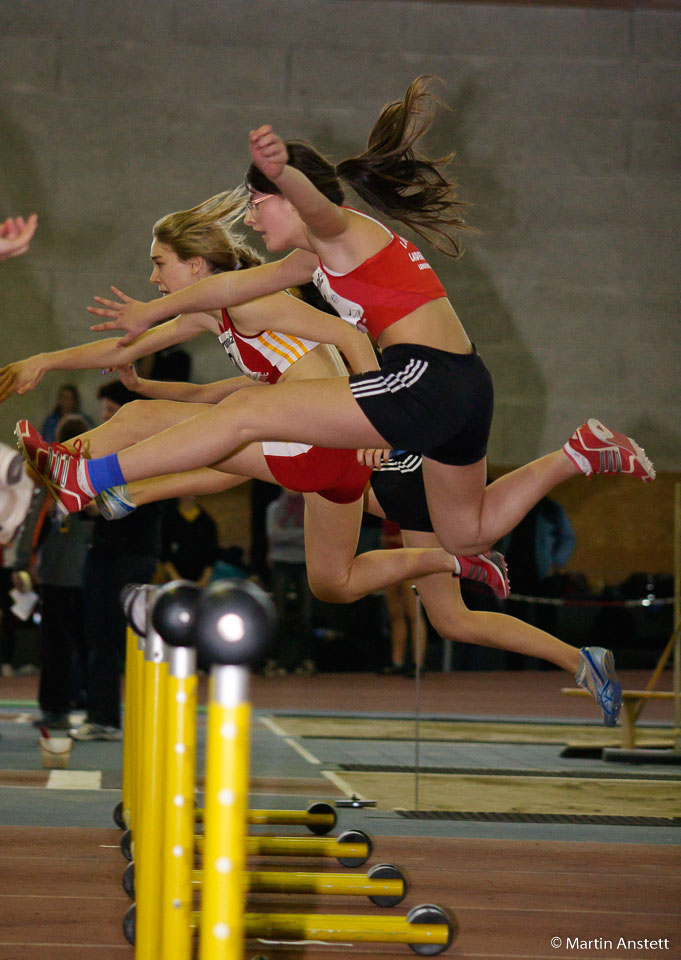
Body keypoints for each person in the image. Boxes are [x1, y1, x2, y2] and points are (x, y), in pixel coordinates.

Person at [3, 189, 619, 723]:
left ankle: (78, 478)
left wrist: (381, 411)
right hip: (327, 457)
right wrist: (52, 362)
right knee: (335, 581)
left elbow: (351, 335)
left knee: (187, 435)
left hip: (334, 444)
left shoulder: (251, 301)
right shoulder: (214, 317)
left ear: (197, 266)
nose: (154, 278)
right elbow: (142, 357)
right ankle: (548, 634)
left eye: (159, 265)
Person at [25, 75, 651, 565]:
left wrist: (284, 172)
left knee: (245, 412)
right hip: (464, 386)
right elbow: (234, 284)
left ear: (282, 198)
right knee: (466, 534)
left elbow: (318, 210)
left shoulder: (341, 231)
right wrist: (149, 313)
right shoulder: (309, 261)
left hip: (424, 378)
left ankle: (93, 476)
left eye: (258, 207)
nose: (252, 222)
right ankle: (578, 453)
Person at [71, 381, 162, 741]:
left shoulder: (152, 453)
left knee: (131, 642)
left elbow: (136, 504)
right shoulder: (106, 457)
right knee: (100, 639)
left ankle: (135, 719)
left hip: (132, 556)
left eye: (111, 412)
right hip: (106, 553)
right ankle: (104, 716)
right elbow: (87, 505)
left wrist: (95, 506)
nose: (104, 419)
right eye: (104, 411)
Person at [12, 414, 93, 728]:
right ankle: (88, 700)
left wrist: (22, 564)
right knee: (89, 642)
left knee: (56, 645)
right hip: (88, 574)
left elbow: (33, 523)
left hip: (58, 574)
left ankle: (56, 707)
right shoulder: (93, 474)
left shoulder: (50, 477)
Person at [265, 488, 316, 676]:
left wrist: (285, 533)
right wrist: (299, 534)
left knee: (306, 614)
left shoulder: (310, 507)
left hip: (304, 562)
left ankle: (306, 660)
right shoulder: (275, 507)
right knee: (278, 613)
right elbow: (273, 535)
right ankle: (275, 661)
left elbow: (313, 533)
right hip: (280, 563)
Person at [380, 519, 424, 676]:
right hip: (391, 565)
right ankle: (397, 661)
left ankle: (418, 663)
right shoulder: (386, 511)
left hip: (410, 565)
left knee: (414, 614)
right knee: (395, 614)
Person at [161, 494, 218, 587]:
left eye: (193, 492)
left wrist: (203, 582)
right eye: (185, 491)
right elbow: (164, 554)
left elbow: (211, 555)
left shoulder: (207, 521)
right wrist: (177, 580)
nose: (188, 495)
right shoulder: (168, 519)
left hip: (200, 580)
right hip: (175, 579)